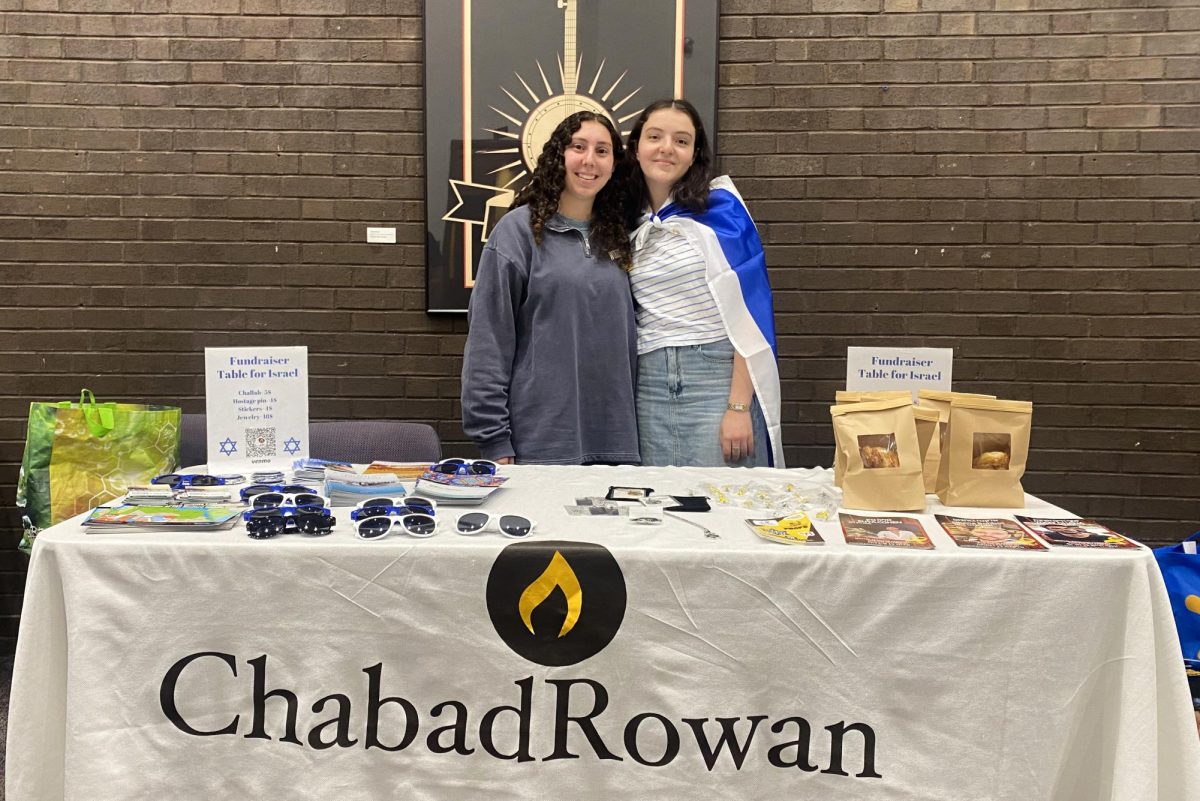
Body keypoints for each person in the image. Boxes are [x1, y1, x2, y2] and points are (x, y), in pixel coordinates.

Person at [461, 111, 640, 465]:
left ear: (614, 164)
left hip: (617, 440)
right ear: (558, 155)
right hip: (540, 441)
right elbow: (488, 341)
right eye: (578, 147)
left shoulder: (620, 235)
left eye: (602, 151)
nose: (590, 160)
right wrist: (494, 438)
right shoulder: (518, 232)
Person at [625, 99, 783, 467]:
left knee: (725, 501)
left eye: (681, 141)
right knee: (659, 506)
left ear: (695, 154)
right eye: (655, 136)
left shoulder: (722, 212)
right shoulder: (623, 220)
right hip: (647, 382)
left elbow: (750, 314)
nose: (666, 148)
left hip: (715, 378)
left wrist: (739, 406)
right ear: (636, 147)